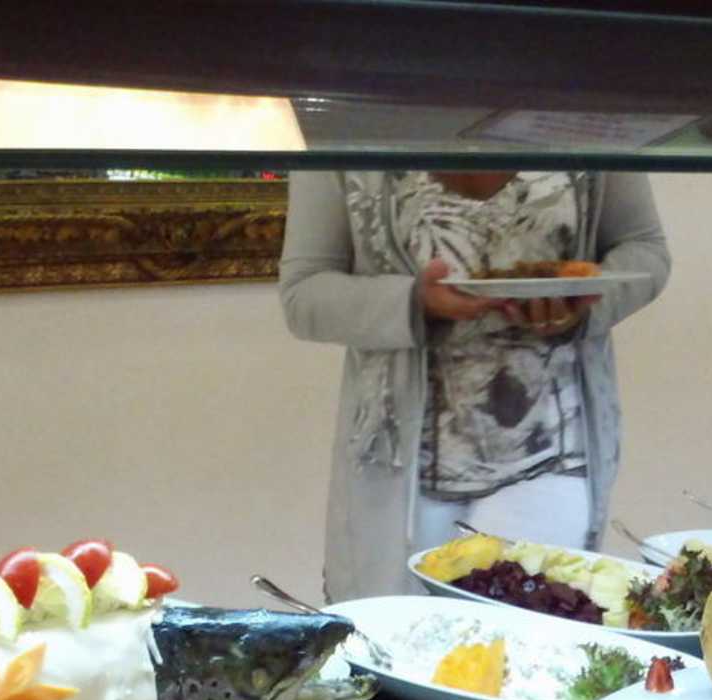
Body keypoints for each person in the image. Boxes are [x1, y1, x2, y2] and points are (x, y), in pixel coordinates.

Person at [278, 170, 670, 600]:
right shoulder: (344, 132)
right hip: (399, 470)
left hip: (552, 453)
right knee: (405, 636)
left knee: (535, 635)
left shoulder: (591, 126)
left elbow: (646, 251)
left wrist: (582, 302)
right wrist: (413, 303)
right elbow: (304, 293)